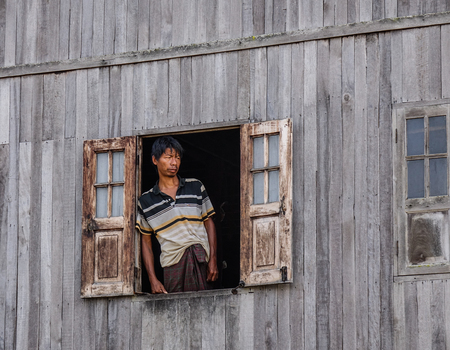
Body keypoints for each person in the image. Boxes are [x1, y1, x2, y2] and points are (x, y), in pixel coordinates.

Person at [135, 136, 219, 293]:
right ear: (155, 160)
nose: (174, 163)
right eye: (168, 157)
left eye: (177, 158)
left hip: (200, 259)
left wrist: (213, 259)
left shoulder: (195, 186)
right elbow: (146, 243)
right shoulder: (146, 201)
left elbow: (209, 223)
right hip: (172, 264)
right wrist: (153, 279)